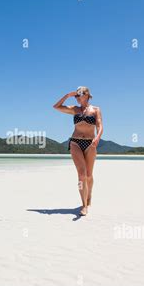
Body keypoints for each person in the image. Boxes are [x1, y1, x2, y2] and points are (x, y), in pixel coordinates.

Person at [53, 86, 103, 216]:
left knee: (88, 175)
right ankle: (84, 205)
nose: (77, 97)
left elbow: (100, 126)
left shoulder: (96, 110)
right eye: (76, 95)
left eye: (79, 94)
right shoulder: (74, 110)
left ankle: (89, 195)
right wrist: (67, 95)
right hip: (75, 142)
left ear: (86, 95)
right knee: (81, 175)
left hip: (90, 143)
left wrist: (97, 138)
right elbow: (56, 107)